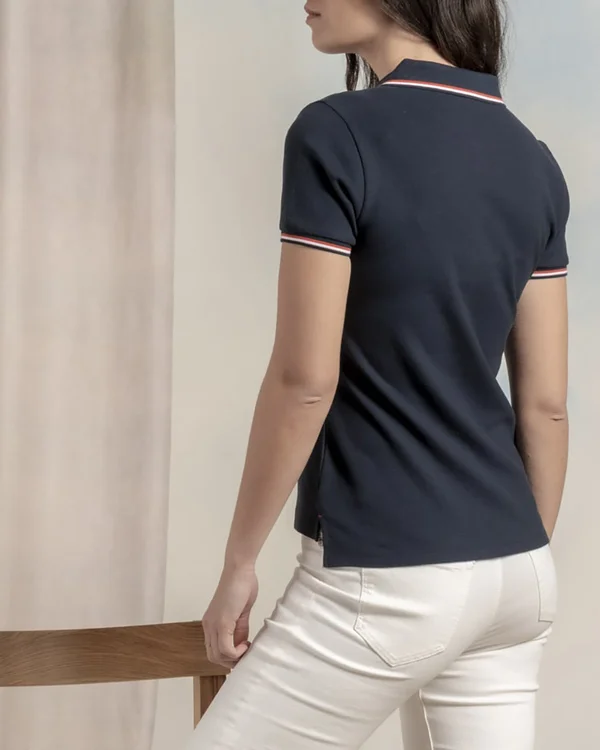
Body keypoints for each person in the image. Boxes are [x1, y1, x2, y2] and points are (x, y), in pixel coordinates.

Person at [189, 1, 570, 748]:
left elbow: (305, 379)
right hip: (516, 573)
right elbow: (547, 405)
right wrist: (504, 562)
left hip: (388, 572)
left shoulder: (336, 133)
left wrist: (239, 563)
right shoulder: (533, 159)